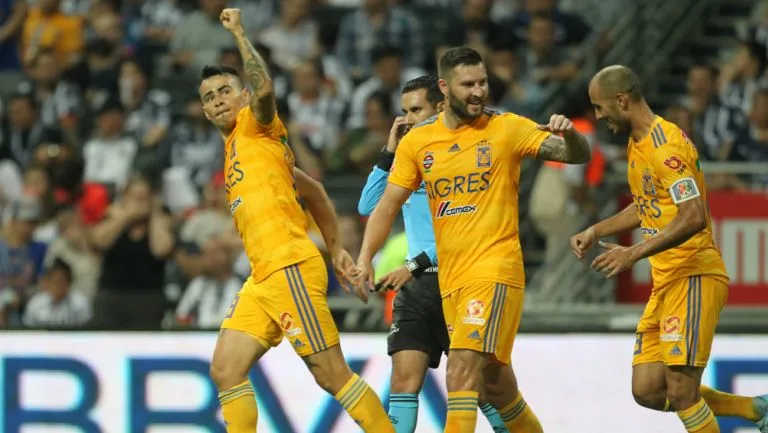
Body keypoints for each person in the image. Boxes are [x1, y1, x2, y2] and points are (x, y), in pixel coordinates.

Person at [354, 46, 591, 433]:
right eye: (468, 84)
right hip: (449, 282)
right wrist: (365, 257)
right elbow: (383, 205)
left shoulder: (507, 128)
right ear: (445, 87)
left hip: (495, 272)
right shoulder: (419, 143)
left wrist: (573, 136)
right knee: (497, 389)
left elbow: (574, 154)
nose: (478, 91)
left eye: (482, 82)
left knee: (460, 370)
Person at [200, 9, 393, 433]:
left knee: (331, 375)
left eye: (225, 90)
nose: (217, 99)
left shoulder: (257, 127)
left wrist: (239, 33)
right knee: (225, 368)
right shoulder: (239, 150)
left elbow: (265, 85)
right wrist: (337, 247)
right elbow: (316, 193)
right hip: (263, 277)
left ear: (243, 97)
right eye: (209, 96)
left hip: (288, 266)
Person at [573, 64, 768, 433]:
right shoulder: (638, 143)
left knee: (681, 392)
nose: (598, 117)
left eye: (600, 108)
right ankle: (755, 409)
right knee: (647, 389)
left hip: (693, 274)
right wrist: (596, 229)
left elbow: (693, 215)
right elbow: (646, 203)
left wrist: (632, 253)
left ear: (621, 100)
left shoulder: (667, 148)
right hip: (667, 281)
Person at [358, 75, 508, 433]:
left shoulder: (455, 159)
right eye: (404, 111)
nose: (407, 119)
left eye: (416, 110)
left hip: (459, 283)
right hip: (418, 289)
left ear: (439, 107)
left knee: (480, 388)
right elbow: (368, 206)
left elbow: (463, 228)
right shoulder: (407, 161)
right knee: (403, 381)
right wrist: (389, 151)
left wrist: (413, 264)